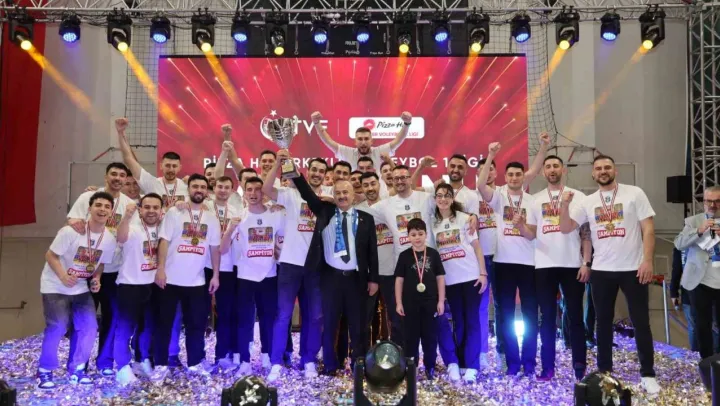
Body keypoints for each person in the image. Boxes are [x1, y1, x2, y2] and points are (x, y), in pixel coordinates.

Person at [559, 154, 660, 395]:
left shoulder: (634, 193)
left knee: (641, 322)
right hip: (602, 270)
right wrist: (563, 205)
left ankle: (648, 374)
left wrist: (647, 261)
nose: (603, 171)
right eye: (598, 168)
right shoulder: (588, 201)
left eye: (607, 167)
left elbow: (648, 229)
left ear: (615, 171)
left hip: (633, 268)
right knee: (602, 323)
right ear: (593, 174)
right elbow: (565, 227)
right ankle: (605, 374)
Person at [290, 157, 379, 376]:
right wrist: (293, 169)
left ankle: (359, 363)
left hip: (356, 279)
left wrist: (373, 279)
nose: (341, 196)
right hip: (330, 278)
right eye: (338, 193)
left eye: (345, 192)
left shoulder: (366, 219)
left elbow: (372, 252)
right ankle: (330, 364)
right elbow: (306, 193)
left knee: (358, 325)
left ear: (353, 194)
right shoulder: (325, 212)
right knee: (329, 323)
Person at [37, 192, 118, 388]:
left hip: (80, 287)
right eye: (98, 205)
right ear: (89, 209)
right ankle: (45, 370)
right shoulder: (71, 231)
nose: (102, 209)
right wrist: (63, 276)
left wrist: (96, 279)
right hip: (55, 285)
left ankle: (77, 368)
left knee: (89, 327)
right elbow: (50, 255)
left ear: (111, 212)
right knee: (58, 326)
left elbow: (100, 264)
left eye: (107, 207)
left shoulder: (109, 239)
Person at [262, 154, 330, 381]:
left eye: (321, 171)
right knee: (283, 315)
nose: (317, 174)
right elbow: (266, 189)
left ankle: (308, 360)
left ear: (325, 175)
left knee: (315, 316)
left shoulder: (328, 198)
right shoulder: (292, 194)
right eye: (314, 169)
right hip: (290, 264)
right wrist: (278, 163)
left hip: (316, 268)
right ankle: (276, 362)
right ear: (307, 171)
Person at [67, 163, 137, 377]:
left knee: (112, 317)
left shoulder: (129, 205)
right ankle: (77, 364)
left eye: (122, 175)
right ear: (106, 176)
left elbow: (130, 236)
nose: (118, 178)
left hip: (114, 270)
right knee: (84, 319)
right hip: (86, 269)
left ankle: (105, 362)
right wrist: (74, 222)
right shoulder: (89, 197)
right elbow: (72, 220)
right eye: (113, 174)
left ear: (126, 180)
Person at [477, 142, 538, 377]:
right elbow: (480, 185)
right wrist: (491, 154)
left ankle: (529, 362)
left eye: (518, 174)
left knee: (530, 314)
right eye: (510, 174)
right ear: (505, 177)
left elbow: (532, 235)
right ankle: (513, 362)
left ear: (524, 177)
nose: (514, 178)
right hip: (503, 263)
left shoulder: (532, 201)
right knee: (506, 315)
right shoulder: (499, 197)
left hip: (528, 264)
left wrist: (521, 226)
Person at [152, 174, 221, 381]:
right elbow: (164, 241)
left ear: (206, 191)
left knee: (196, 325)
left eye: (202, 187)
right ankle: (160, 364)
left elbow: (215, 248)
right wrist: (160, 268)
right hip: (170, 279)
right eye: (195, 186)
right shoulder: (174, 212)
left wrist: (215, 275)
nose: (199, 189)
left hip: (197, 281)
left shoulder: (211, 218)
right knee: (163, 324)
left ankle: (195, 363)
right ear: (188, 189)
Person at [528, 155, 590, 381]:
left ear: (563, 169)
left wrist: (586, 262)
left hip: (572, 264)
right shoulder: (535, 199)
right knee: (547, 318)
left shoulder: (579, 197)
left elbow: (586, 234)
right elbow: (531, 232)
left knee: (575, 317)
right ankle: (548, 367)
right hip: (544, 265)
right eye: (548, 166)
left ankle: (579, 367)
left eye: (555, 166)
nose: (552, 169)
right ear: (543, 172)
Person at [221, 176, 284, 377]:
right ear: (244, 193)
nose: (254, 193)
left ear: (263, 192)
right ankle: (244, 361)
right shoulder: (238, 217)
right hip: (245, 277)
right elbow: (223, 249)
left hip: (269, 275)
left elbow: (283, 240)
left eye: (258, 189)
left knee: (268, 319)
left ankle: (267, 355)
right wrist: (231, 229)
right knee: (244, 321)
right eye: (249, 189)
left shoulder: (276, 214)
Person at [431, 183, 487, 383]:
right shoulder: (433, 224)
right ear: (435, 199)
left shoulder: (464, 218)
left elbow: (477, 247)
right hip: (450, 281)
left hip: (471, 277)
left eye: (447, 195)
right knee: (459, 322)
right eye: (439, 195)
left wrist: (483, 273)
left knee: (472, 320)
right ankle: (462, 362)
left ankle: (473, 366)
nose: (443, 199)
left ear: (452, 198)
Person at [113, 194, 163, 385]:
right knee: (125, 328)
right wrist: (126, 217)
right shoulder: (132, 228)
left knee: (148, 327)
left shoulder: (163, 230)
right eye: (147, 207)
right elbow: (120, 237)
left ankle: (142, 360)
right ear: (140, 210)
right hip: (130, 285)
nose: (151, 211)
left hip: (153, 285)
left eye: (155, 207)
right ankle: (122, 367)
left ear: (161, 211)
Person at [395, 218, 445, 380]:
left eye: (420, 234)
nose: (417, 237)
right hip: (409, 304)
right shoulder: (404, 256)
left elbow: (440, 278)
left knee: (430, 336)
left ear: (426, 234)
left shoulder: (433, 254)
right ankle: (412, 367)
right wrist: (399, 302)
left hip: (430, 303)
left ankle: (430, 367)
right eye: (413, 234)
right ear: (408, 236)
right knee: (410, 337)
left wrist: (441, 301)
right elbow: (399, 281)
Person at [356, 173, 403, 348]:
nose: (370, 188)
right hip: (368, 275)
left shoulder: (390, 205)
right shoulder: (357, 211)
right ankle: (362, 358)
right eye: (366, 185)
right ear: (361, 188)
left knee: (397, 318)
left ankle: (398, 356)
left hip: (392, 272)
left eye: (373, 184)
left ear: (380, 185)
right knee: (363, 319)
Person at [203, 176, 244, 369]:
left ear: (231, 190)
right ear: (214, 187)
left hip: (228, 267)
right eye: (220, 186)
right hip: (205, 266)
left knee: (226, 313)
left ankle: (223, 354)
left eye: (227, 187)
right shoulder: (204, 207)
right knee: (201, 314)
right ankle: (199, 357)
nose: (223, 190)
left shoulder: (237, 211)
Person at [674, 186, 720, 359]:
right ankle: (706, 363)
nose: (713, 205)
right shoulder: (693, 221)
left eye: (717, 201)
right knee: (702, 325)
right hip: (699, 281)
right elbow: (679, 244)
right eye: (709, 201)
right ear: (703, 202)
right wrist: (699, 231)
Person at [116, 118, 189, 208]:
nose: (171, 169)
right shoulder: (151, 183)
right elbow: (128, 159)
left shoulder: (187, 185)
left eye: (174, 166)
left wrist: (190, 180)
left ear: (180, 167)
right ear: (161, 166)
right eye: (167, 165)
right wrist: (120, 133)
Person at [311, 111, 412, 172]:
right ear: (355, 142)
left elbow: (398, 140)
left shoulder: (379, 151)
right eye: (360, 139)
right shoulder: (348, 153)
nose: (363, 142)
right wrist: (316, 123)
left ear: (372, 141)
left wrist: (407, 124)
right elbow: (328, 141)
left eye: (366, 139)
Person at [670, 247, 698, 352]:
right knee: (695, 326)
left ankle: (705, 356)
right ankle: (697, 354)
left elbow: (676, 270)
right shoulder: (680, 246)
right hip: (689, 292)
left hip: (707, 290)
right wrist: (673, 293)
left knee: (698, 326)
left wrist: (673, 293)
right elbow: (676, 270)